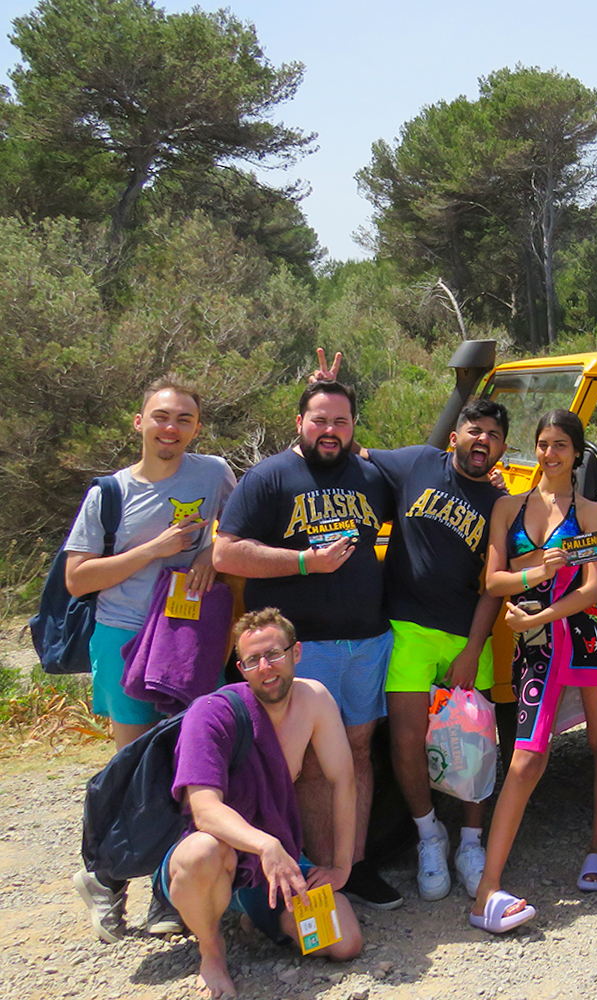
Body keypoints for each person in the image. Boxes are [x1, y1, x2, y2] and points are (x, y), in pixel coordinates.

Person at [212, 379, 402, 909]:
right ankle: (314, 872)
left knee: (360, 751)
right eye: (319, 420)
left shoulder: (369, 477)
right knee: (311, 763)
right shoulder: (269, 477)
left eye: (341, 422)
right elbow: (226, 553)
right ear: (300, 422)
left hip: (367, 641)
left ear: (353, 428)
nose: (330, 431)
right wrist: (302, 562)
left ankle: (354, 866)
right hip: (302, 650)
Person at [63, 376, 235, 935]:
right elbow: (77, 578)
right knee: (132, 768)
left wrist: (211, 549)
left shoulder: (213, 474)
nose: (171, 428)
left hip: (186, 641)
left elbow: (235, 530)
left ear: (197, 428)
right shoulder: (109, 495)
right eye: (161, 416)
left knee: (187, 766)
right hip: (123, 636)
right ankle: (107, 880)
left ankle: (169, 892)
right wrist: (155, 550)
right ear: (139, 423)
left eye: (184, 419)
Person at [471, 409, 597, 931]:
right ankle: (487, 888)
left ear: (577, 451)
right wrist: (534, 570)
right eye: (543, 443)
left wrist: (541, 610)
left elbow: (593, 588)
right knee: (525, 759)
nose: (550, 453)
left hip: (588, 635)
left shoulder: (590, 512)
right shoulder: (507, 506)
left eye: (561, 445)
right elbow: (493, 581)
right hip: (540, 646)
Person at [156, 608, 363, 998]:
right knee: (203, 850)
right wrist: (265, 844)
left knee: (344, 941)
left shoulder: (314, 700)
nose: (265, 668)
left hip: (277, 864)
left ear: (296, 652)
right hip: (218, 856)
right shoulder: (212, 713)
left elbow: (344, 781)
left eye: (274, 655)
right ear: (241, 667)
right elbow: (204, 809)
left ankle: (259, 917)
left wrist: (340, 866)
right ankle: (211, 950)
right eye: (253, 660)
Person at [366, 399, 510, 901]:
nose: (482, 440)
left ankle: (472, 843)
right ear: (456, 435)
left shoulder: (501, 503)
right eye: (475, 429)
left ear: (502, 447)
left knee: (477, 742)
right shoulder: (416, 463)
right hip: (406, 625)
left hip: (466, 632)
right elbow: (354, 453)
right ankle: (430, 835)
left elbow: (495, 584)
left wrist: (473, 649)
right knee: (406, 738)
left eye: (493, 434)